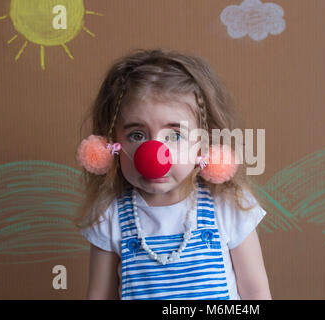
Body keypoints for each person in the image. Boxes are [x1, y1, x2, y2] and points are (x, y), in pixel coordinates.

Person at [74, 48, 271, 300]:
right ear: (110, 146)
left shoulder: (228, 204)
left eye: (174, 136)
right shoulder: (109, 215)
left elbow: (256, 292)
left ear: (202, 143)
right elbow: (100, 295)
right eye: (137, 135)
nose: (154, 153)